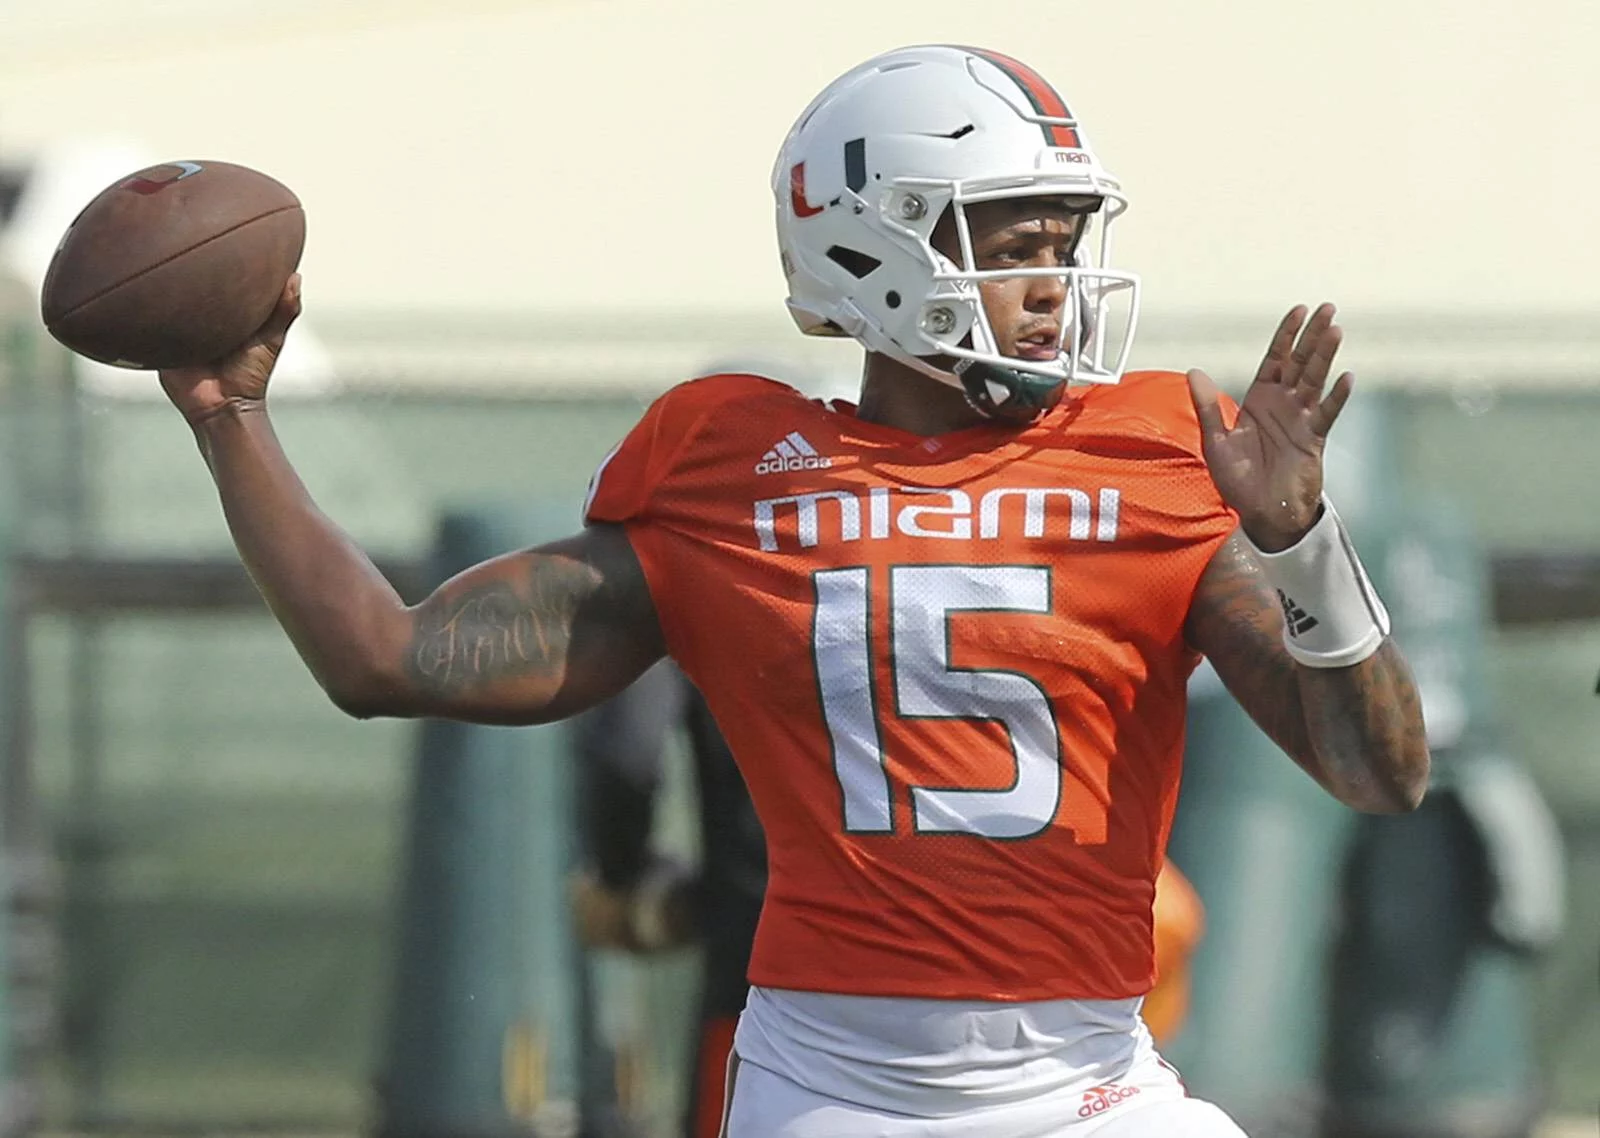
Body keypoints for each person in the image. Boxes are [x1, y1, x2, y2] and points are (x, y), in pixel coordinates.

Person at [155, 43, 1429, 1137]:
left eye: (1065, 242)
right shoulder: (730, 471)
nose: (1055, 285)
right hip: (835, 1085)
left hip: (1088, 1079)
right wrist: (233, 415)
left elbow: (1379, 774)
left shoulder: (1158, 451)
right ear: (876, 246)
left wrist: (1304, 538)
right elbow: (385, 655)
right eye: (1014, 245)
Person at [571, 663, 1207, 1138]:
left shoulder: (728, 545)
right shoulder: (1008, 539)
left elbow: (628, 752)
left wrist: (632, 877)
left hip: (785, 993)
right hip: (1016, 1001)